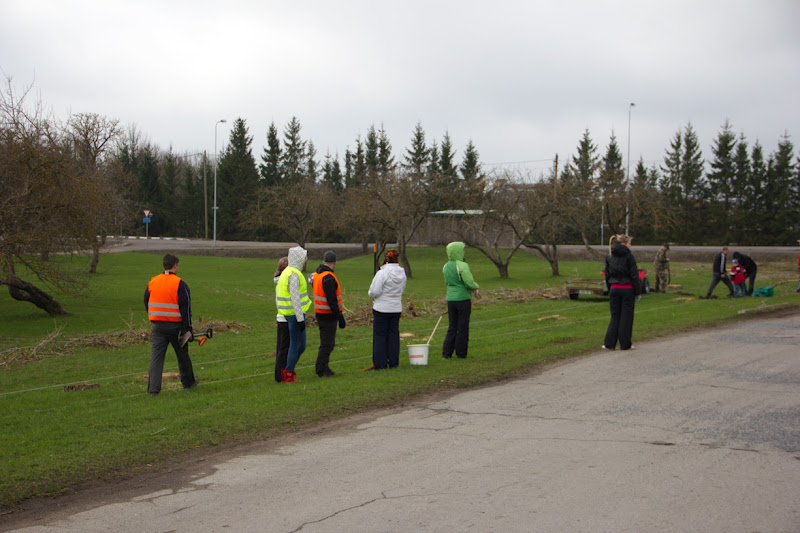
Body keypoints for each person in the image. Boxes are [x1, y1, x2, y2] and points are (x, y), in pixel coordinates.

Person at [144, 253, 198, 396]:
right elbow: (185, 308)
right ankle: (188, 383)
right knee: (182, 355)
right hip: (176, 327)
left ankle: (153, 390)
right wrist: (188, 329)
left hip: (157, 326)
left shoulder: (153, 282)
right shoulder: (180, 284)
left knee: (156, 358)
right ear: (175, 265)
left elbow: (146, 302)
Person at [275, 246, 311, 383]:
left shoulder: (287, 272)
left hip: (289, 313)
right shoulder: (294, 275)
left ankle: (288, 371)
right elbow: (295, 298)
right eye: (304, 257)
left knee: (300, 345)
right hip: (295, 314)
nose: (306, 259)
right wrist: (300, 318)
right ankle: (288, 374)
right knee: (295, 344)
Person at [368, 249, 407, 369]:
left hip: (382, 308)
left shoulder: (382, 273)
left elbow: (374, 291)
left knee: (380, 336)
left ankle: (380, 364)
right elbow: (402, 289)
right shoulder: (402, 273)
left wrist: (372, 295)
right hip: (396, 308)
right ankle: (393, 362)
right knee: (393, 336)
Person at [603, 235, 642, 351]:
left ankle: (609, 343)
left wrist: (610, 288)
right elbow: (634, 274)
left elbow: (607, 275)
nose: (630, 245)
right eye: (630, 243)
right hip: (627, 288)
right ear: (624, 243)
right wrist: (638, 291)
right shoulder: (628, 256)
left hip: (614, 287)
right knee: (626, 317)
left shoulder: (609, 255)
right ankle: (625, 343)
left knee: (615, 316)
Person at [442, 241, 479, 359]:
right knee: (462, 326)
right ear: (458, 251)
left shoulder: (446, 266)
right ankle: (461, 353)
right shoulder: (462, 265)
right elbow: (469, 282)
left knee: (452, 325)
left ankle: (446, 353)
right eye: (462, 250)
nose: (464, 252)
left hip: (451, 299)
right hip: (462, 298)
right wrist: (475, 288)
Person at [311, 251, 345, 377]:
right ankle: (321, 368)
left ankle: (322, 367)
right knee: (328, 344)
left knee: (326, 343)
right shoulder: (329, 277)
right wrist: (339, 315)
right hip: (328, 314)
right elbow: (332, 299)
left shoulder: (317, 274)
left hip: (320, 313)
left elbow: (310, 280)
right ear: (334, 263)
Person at [273, 257, 290, 383]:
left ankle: (279, 374)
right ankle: (281, 375)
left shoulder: (278, 281)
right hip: (286, 317)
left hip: (281, 317)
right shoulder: (284, 282)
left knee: (281, 348)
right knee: (284, 348)